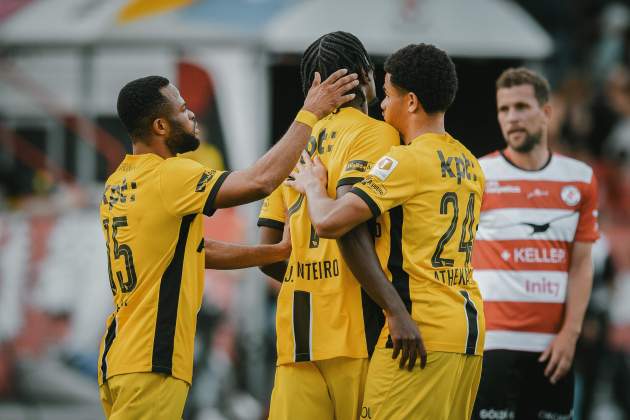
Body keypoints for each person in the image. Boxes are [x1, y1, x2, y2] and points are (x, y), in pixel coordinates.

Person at [97, 72, 358, 420]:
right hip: (151, 358)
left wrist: (273, 252)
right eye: (182, 108)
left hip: (118, 356)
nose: (191, 115)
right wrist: (309, 113)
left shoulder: (118, 182)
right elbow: (260, 181)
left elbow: (188, 251)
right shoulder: (169, 175)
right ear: (160, 126)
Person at [287, 43, 485, 420]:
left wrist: (313, 186)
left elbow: (330, 223)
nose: (381, 104)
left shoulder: (404, 159)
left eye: (389, 94)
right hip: (467, 330)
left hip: (420, 330)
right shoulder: (469, 162)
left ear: (410, 102)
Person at [256, 31, 422, 420]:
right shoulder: (378, 133)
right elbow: (348, 224)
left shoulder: (291, 146)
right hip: (355, 330)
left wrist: (309, 275)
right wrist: (394, 310)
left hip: (297, 336)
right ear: (366, 76)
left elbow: (267, 252)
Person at [471, 67, 599, 420]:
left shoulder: (580, 179)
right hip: (491, 347)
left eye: (521, 107)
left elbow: (582, 264)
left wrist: (570, 335)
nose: (511, 117)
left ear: (546, 112)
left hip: (553, 351)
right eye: (503, 109)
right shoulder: (479, 175)